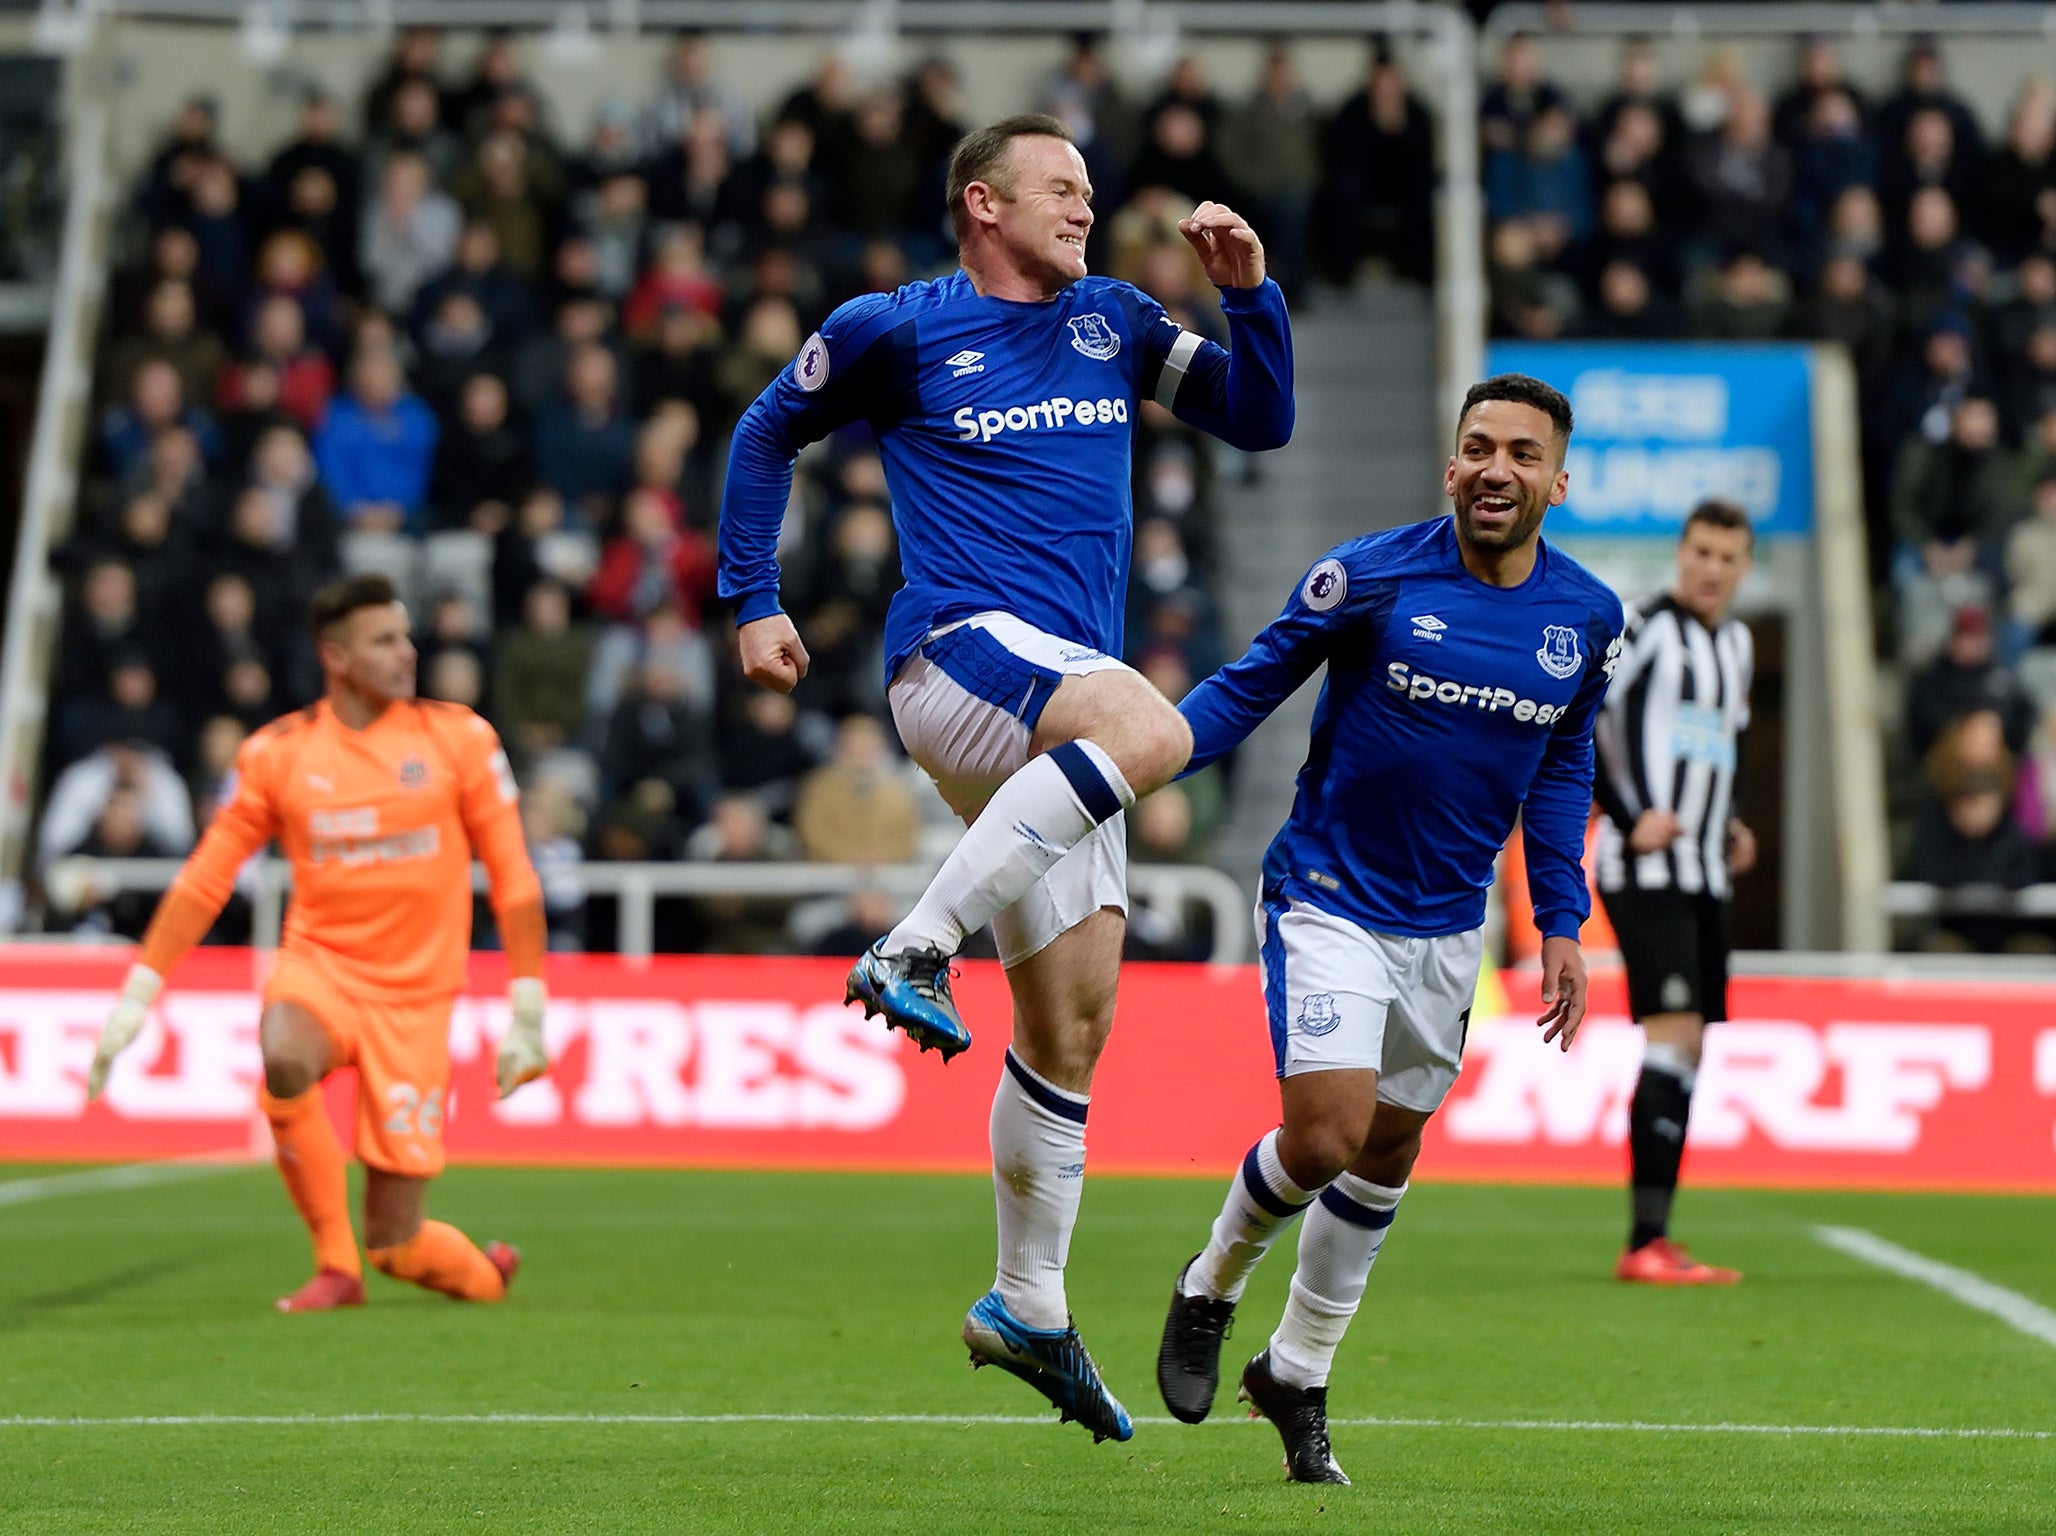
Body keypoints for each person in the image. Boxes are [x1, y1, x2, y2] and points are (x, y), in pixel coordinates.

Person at [715, 113, 1293, 1442]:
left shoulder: (1115, 321)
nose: (1087, 209)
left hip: (1052, 716)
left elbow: (1261, 417)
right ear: (984, 203)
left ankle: (1027, 1301)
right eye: (1062, 189)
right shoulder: (896, 327)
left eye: (1089, 190)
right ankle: (914, 944)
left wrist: (1250, 292)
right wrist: (754, 598)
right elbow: (762, 434)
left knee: (1075, 1027)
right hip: (960, 655)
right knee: (1159, 728)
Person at [1153, 375, 1622, 1484]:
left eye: (1518, 453)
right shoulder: (1371, 575)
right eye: (1474, 448)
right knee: (1322, 1136)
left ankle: (1298, 1370)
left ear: (1558, 480)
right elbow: (1248, 684)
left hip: (1450, 924)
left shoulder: (1586, 619)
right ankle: (1209, 1284)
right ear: (1449, 464)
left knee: (1388, 1148)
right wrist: (1135, 763)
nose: (1493, 469)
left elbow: (1562, 765)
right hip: (1330, 895)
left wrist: (1560, 916)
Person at [85, 573, 553, 1314]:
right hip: (323, 969)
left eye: (405, 636)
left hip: (417, 998)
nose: (408, 652)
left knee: (397, 1243)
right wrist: (139, 992)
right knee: (284, 1052)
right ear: (336, 657)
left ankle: (482, 1275)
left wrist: (528, 1012)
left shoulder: (460, 738)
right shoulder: (279, 754)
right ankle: (335, 1268)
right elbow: (207, 876)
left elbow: (514, 876)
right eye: (384, 640)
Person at [1591, 499, 1757, 1286]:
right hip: (1644, 867)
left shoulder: (1740, 646)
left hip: (1705, 870)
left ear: (1744, 567)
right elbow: (1583, 709)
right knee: (1673, 1032)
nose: (1712, 568)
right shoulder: (1647, 624)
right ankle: (1642, 1242)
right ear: (1680, 553)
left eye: (1727, 556)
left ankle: (1656, 1235)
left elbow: (1722, 742)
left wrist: (1733, 822)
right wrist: (1627, 814)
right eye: (1701, 551)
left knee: (1691, 1046)